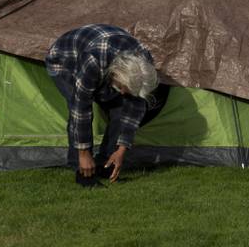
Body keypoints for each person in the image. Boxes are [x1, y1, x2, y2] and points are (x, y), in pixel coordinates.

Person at [45, 24, 162, 185]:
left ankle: (106, 164)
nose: (122, 93)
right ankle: (80, 168)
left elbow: (134, 109)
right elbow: (81, 109)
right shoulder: (94, 59)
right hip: (65, 61)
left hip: (107, 57)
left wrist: (121, 150)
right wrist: (84, 154)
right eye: (121, 87)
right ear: (116, 73)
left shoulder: (144, 64)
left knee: (122, 108)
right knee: (77, 106)